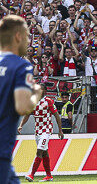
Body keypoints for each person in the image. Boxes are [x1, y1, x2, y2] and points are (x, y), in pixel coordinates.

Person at [0, 15, 45, 184]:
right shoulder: (21, 65)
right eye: (27, 36)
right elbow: (23, 107)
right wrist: (36, 93)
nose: (28, 41)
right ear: (18, 36)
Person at [19, 86, 62, 182]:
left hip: (46, 130)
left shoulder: (49, 101)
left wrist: (60, 130)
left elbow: (56, 115)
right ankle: (49, 176)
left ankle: (32, 175)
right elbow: (27, 115)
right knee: (44, 152)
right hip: (38, 131)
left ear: (44, 91)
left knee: (39, 151)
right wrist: (21, 125)